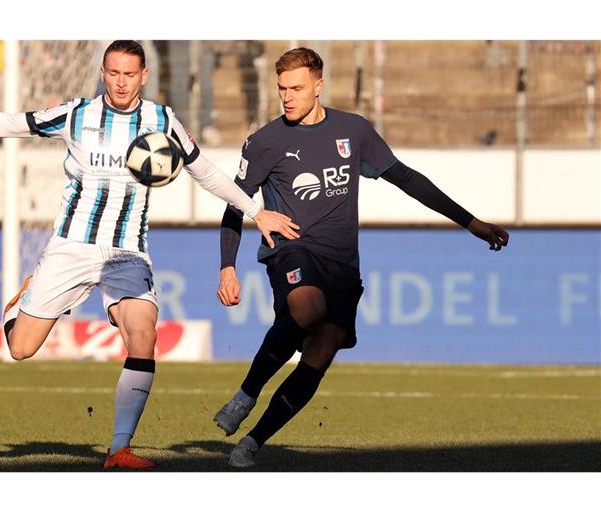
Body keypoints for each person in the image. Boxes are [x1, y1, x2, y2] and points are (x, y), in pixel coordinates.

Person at [0, 40, 299, 470]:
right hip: (72, 246)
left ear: (144, 75)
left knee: (144, 332)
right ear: (103, 73)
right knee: (20, 348)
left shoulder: (162, 121)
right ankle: (24, 299)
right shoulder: (77, 115)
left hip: (127, 250)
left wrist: (256, 211)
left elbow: (205, 172)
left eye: (130, 74)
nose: (121, 82)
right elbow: (10, 123)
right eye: (113, 73)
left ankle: (119, 449)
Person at [213, 47, 509, 468]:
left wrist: (470, 222)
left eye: (296, 87)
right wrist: (228, 266)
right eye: (281, 89)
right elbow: (233, 205)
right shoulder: (265, 142)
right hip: (292, 249)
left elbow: (405, 178)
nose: (287, 97)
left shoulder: (353, 130)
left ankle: (253, 442)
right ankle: (246, 393)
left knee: (323, 347)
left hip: (343, 264)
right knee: (307, 306)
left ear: (319, 85)